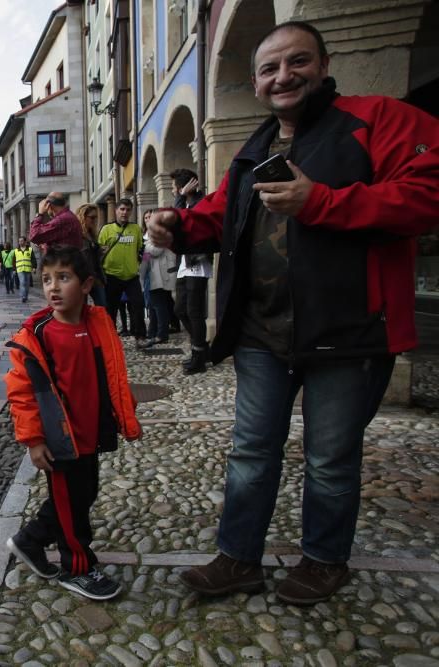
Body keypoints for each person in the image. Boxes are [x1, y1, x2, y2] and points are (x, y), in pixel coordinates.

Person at [148, 20, 439, 605]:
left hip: (349, 331)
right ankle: (238, 558)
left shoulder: (379, 119)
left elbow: (427, 195)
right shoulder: (255, 148)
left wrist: (323, 201)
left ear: (324, 65)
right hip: (261, 332)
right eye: (270, 68)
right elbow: (220, 216)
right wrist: (179, 225)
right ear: (256, 84)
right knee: (251, 453)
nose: (284, 75)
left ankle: (325, 560)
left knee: (331, 457)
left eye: (297, 62)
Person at [4, 245, 142, 600]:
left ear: (86, 285)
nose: (52, 287)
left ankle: (29, 541)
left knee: (85, 494)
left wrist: (123, 411)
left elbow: (112, 372)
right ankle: (77, 567)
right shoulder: (39, 335)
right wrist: (34, 440)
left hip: (90, 434)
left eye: (63, 278)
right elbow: (22, 393)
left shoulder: (98, 323)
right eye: (46, 279)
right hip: (60, 441)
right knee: (70, 508)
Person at [170, 168, 211, 374]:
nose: (172, 191)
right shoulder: (186, 202)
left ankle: (199, 356)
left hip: (197, 261)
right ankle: (201, 347)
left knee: (194, 312)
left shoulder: (200, 203)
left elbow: (180, 221)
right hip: (184, 263)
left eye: (174, 188)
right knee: (180, 309)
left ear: (183, 187)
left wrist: (179, 197)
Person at [98, 198, 147, 344]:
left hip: (131, 276)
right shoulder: (107, 229)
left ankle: (140, 336)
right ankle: (110, 337)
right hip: (112, 275)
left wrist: (139, 262)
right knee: (111, 309)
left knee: (138, 304)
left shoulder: (136, 229)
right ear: (116, 210)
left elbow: (141, 249)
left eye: (128, 210)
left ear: (131, 211)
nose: (125, 213)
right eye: (122, 209)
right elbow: (99, 251)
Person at [141, 224, 177, 347]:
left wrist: (145, 246)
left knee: (159, 306)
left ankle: (162, 334)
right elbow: (146, 259)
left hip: (161, 278)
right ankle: (152, 332)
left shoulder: (160, 240)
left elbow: (154, 251)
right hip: (152, 277)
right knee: (152, 306)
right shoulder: (150, 242)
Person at [75, 204, 107, 307]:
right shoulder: (77, 235)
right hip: (83, 278)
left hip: (96, 277)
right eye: (92, 217)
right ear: (83, 217)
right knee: (81, 309)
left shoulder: (92, 234)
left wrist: (100, 251)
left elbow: (93, 258)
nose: (94, 220)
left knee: (102, 307)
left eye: (96, 217)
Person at [13, 237, 35, 303]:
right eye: (19, 241)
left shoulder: (30, 249)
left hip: (28, 269)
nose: (20, 242)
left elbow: (33, 259)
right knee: (22, 282)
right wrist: (14, 269)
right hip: (20, 269)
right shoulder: (16, 250)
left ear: (25, 242)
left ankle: (26, 296)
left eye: (22, 241)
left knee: (27, 284)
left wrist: (34, 267)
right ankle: (23, 297)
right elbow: (14, 261)